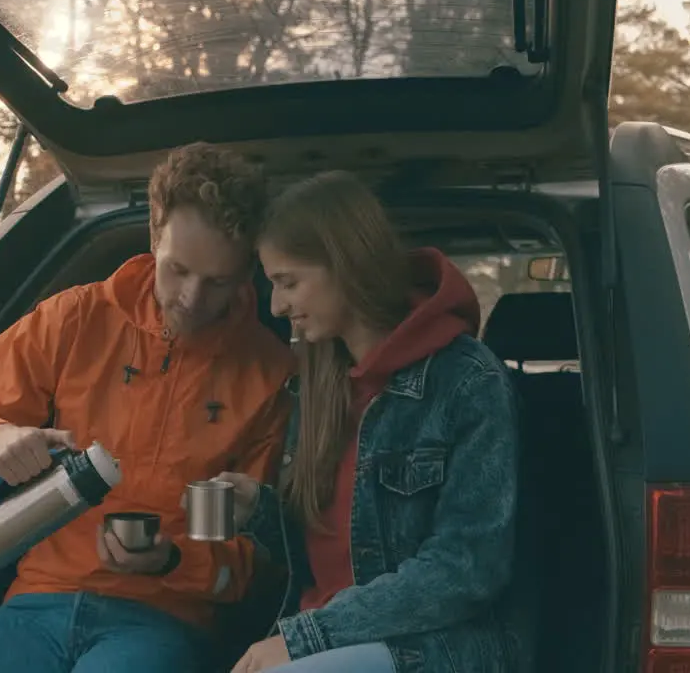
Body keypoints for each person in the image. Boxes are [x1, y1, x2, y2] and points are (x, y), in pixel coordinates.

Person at [0, 142, 296, 672]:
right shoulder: (77, 319)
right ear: (154, 236)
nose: (191, 297)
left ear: (248, 267)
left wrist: (171, 560)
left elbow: (259, 560)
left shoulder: (269, 374)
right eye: (178, 270)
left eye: (219, 282)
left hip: (165, 617)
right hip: (38, 600)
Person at [215, 171, 527, 673]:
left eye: (287, 282)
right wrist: (257, 510)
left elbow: (466, 568)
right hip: (318, 638)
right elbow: (328, 545)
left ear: (343, 264)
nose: (276, 306)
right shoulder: (318, 379)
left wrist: (309, 637)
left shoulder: (467, 382)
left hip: (429, 646)